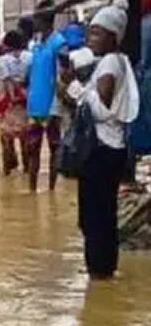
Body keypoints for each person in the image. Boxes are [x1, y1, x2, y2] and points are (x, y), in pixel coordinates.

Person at [75, 1, 139, 280]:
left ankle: (98, 273)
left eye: (98, 34)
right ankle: (104, 269)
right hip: (114, 149)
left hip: (101, 150)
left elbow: (103, 109)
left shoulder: (110, 64)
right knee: (104, 213)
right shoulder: (121, 61)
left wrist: (79, 92)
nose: (91, 39)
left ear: (114, 37)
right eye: (91, 33)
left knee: (94, 216)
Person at [25, 3, 69, 192]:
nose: (33, 21)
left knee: (54, 149)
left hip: (52, 108)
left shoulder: (59, 44)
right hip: (35, 107)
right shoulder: (35, 44)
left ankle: (51, 190)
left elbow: (62, 77)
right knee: (32, 150)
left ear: (45, 20)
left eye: (36, 18)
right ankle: (32, 192)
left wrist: (55, 107)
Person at [0, 31, 30, 174]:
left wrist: (11, 98)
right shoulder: (30, 57)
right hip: (27, 101)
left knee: (6, 139)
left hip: (9, 103)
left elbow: (6, 81)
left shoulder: (3, 60)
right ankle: (27, 168)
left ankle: (8, 170)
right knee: (26, 137)